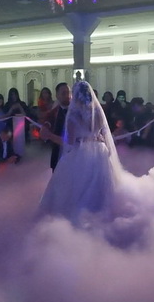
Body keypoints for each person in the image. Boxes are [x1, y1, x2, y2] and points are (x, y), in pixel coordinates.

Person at [38, 81, 120, 226]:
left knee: (76, 189)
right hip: (100, 152)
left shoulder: (73, 116)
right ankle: (103, 217)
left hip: (82, 153)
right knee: (99, 187)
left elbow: (68, 143)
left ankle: (81, 220)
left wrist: (50, 136)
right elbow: (103, 134)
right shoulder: (98, 113)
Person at [39, 83, 71, 172]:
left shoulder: (76, 111)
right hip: (58, 150)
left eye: (69, 92)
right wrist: (45, 127)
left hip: (73, 152)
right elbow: (48, 120)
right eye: (64, 93)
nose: (67, 96)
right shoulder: (55, 111)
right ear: (57, 96)